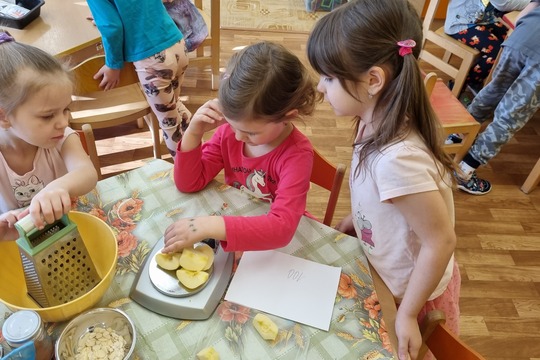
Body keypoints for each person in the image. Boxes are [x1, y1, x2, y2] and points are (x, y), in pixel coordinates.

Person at [307, 1, 459, 360]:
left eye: (329, 77)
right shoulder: (371, 118)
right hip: (384, 269)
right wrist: (359, 223)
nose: (319, 87)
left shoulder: (398, 160)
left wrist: (407, 314)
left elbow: (441, 241)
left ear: (374, 80)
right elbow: (381, 199)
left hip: (413, 292)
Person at [162, 41, 319, 253]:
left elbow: (281, 229)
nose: (238, 136)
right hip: (239, 221)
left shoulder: (297, 156)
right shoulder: (229, 133)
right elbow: (188, 183)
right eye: (231, 123)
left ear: (287, 117)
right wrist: (194, 132)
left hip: (274, 241)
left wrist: (211, 225)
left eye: (251, 132)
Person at [0, 31, 98, 241]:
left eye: (65, 109)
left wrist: (58, 187)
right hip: (19, 242)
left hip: (70, 231)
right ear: (4, 116)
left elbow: (87, 173)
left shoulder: (63, 139)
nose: (63, 122)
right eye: (47, 116)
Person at [455, 0, 540, 195]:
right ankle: (465, 170)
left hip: (520, 39)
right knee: (510, 116)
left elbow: (522, 15)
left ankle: (457, 137)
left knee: (492, 91)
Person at [86, 0, 191, 157]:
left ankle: (189, 175)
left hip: (154, 60)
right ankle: (200, 152)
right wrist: (104, 18)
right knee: (175, 106)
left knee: (170, 125)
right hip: (177, 43)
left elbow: (112, 28)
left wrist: (113, 65)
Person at [445, 0, 529, 96]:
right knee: (495, 51)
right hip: (460, 24)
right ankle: (466, 83)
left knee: (510, 40)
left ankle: (488, 79)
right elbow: (502, 4)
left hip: (482, 20)